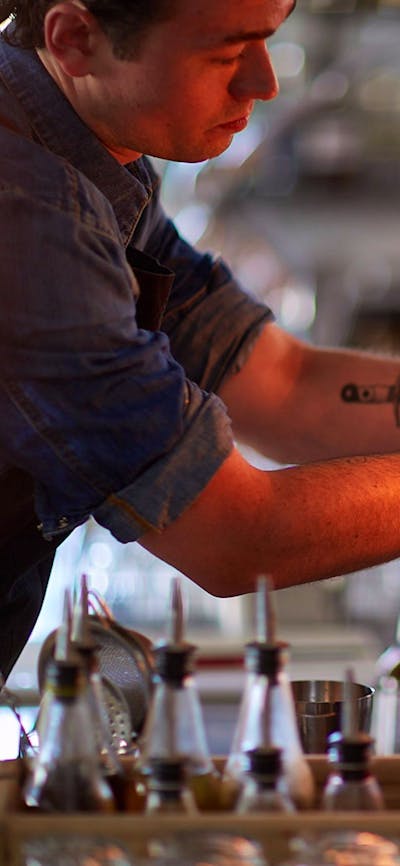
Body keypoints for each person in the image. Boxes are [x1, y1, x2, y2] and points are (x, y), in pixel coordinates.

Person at [0, 0, 400, 679]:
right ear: (74, 39)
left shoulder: (96, 164)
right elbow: (237, 537)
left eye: (267, 40)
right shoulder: (28, 213)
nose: (263, 82)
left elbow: (284, 387)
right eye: (224, 52)